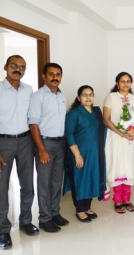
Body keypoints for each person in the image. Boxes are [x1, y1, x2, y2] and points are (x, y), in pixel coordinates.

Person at [0, 55, 38, 250]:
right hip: (3, 142)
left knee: (27, 184)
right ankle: (3, 230)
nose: (18, 69)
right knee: (1, 188)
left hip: (25, 141)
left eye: (22, 67)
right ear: (6, 67)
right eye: (14, 65)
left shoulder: (29, 90)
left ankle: (25, 221)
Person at [29, 62, 69, 233]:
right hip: (45, 143)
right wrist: (42, 149)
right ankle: (44, 218)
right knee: (44, 183)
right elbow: (33, 124)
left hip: (61, 143)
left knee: (56, 181)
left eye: (58, 74)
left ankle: (55, 213)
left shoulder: (62, 96)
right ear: (44, 76)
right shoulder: (38, 96)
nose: (55, 77)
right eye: (51, 74)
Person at [63, 85, 106, 222]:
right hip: (79, 153)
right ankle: (80, 209)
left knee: (92, 178)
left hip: (94, 153)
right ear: (78, 98)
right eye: (84, 95)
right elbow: (69, 135)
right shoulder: (73, 114)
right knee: (80, 180)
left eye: (90, 94)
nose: (88, 97)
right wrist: (77, 155)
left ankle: (87, 206)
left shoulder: (97, 111)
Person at [103, 72, 134, 214]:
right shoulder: (111, 97)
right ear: (117, 83)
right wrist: (121, 133)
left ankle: (127, 200)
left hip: (131, 139)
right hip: (116, 138)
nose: (125, 84)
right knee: (117, 165)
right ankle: (118, 201)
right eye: (122, 81)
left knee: (129, 165)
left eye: (128, 81)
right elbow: (106, 119)